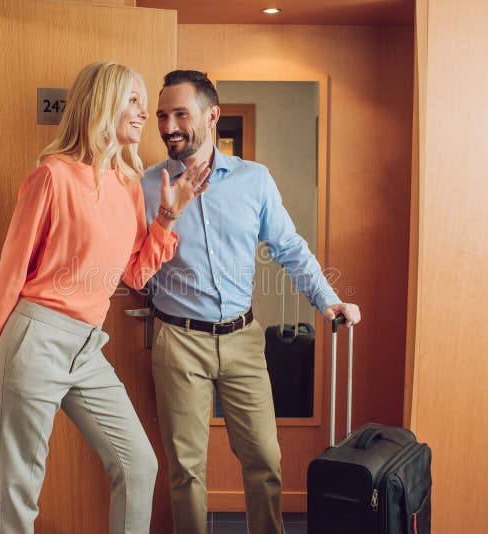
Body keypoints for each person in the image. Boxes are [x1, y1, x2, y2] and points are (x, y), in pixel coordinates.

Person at [0, 61, 210, 534]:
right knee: (21, 491)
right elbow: (10, 271)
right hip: (34, 339)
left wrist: (168, 218)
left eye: (144, 103)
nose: (145, 114)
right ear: (103, 104)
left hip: (87, 348)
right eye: (133, 101)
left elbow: (136, 275)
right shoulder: (52, 177)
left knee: (139, 464)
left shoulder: (128, 187)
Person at [141, 70, 362, 534]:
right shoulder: (146, 186)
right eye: (162, 115)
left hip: (242, 340)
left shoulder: (254, 180)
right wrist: (165, 215)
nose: (167, 125)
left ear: (212, 116)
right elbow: (133, 267)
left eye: (181, 113)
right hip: (178, 341)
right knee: (186, 469)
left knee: (265, 459)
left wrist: (327, 299)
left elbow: (289, 247)